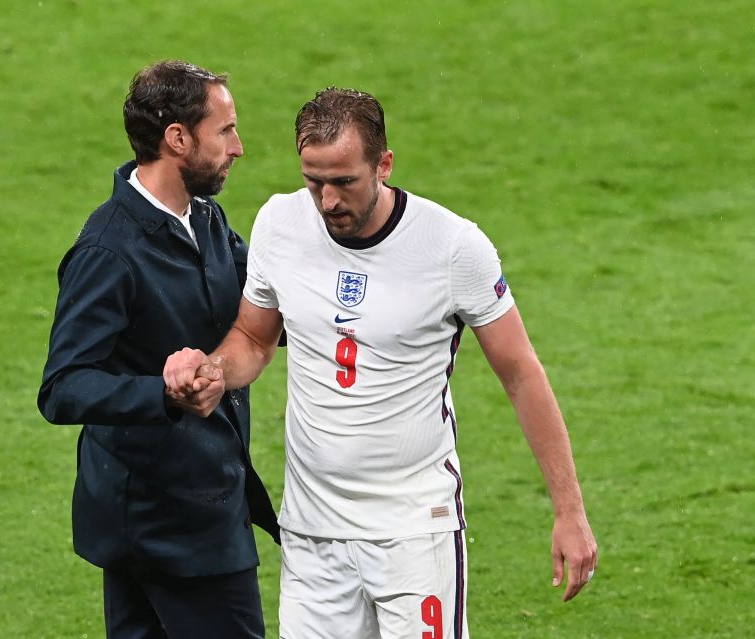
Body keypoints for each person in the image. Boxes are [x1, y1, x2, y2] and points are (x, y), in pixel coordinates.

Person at [164, 87, 598, 639]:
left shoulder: (453, 247)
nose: (326, 201)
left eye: (343, 181)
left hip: (414, 532)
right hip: (313, 530)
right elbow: (253, 336)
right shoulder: (280, 223)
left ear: (384, 165)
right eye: (313, 180)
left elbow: (520, 372)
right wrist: (216, 371)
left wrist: (569, 510)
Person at [37, 60, 279, 639]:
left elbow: (264, 314)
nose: (238, 147)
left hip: (176, 509)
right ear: (177, 138)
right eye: (225, 130)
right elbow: (62, 386)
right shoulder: (109, 251)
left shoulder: (206, 219)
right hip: (171, 525)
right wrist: (163, 393)